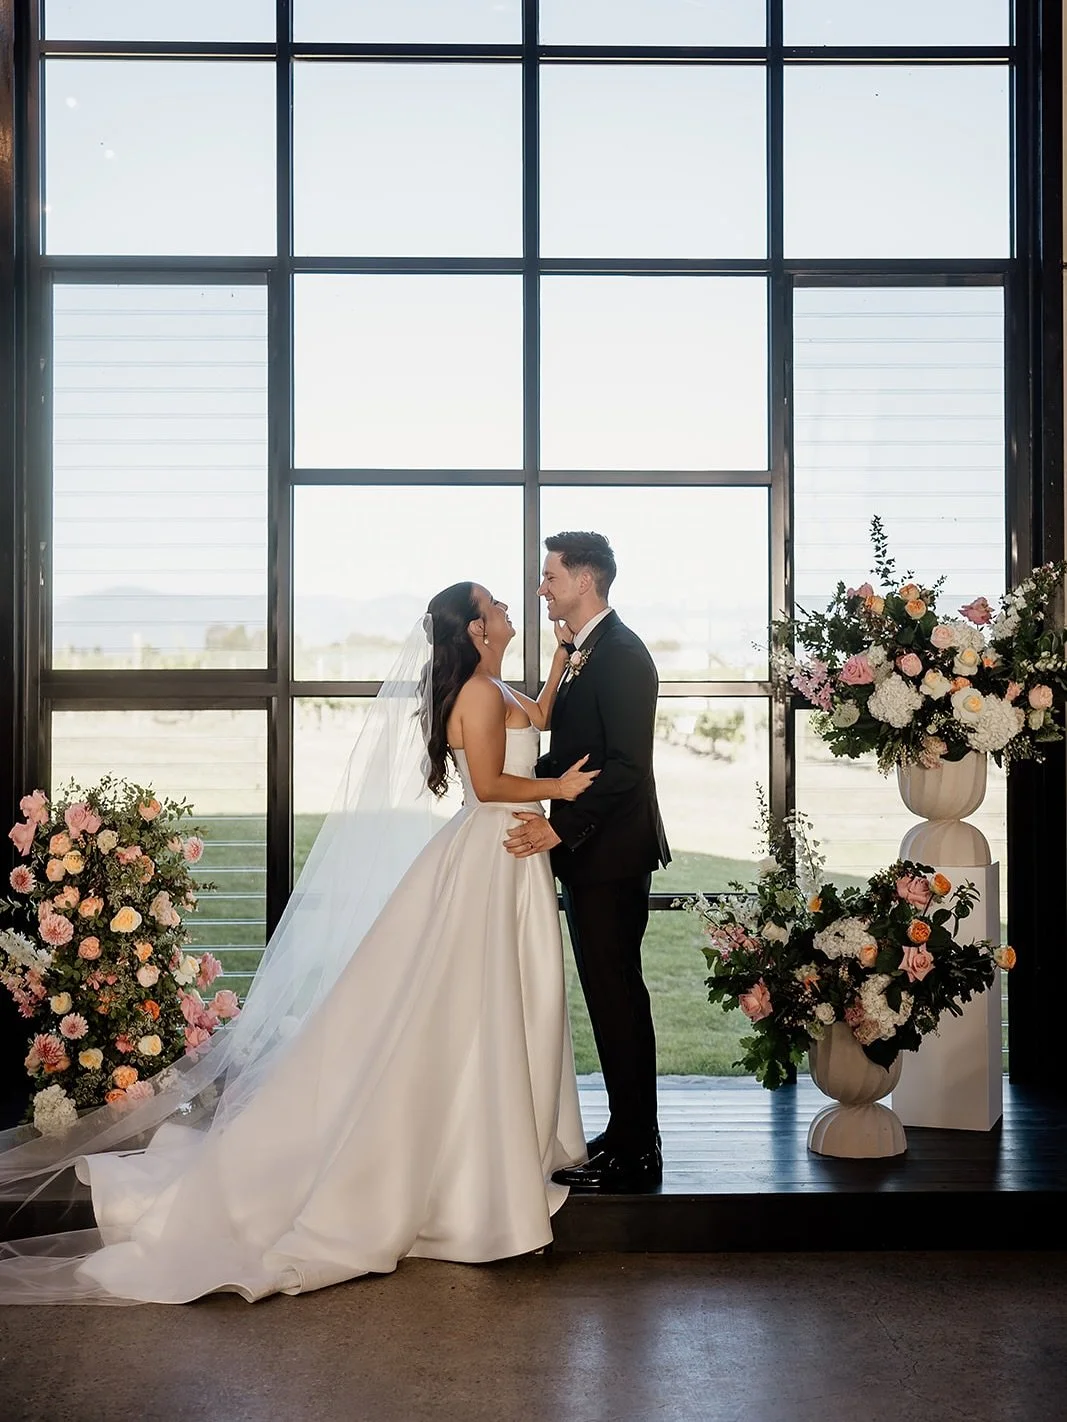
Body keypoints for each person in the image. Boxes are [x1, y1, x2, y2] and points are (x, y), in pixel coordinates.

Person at [0, 583, 595, 1304]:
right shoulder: (474, 691)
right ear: (475, 629)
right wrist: (560, 791)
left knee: (497, 998)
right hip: (490, 852)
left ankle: (492, 1150)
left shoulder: (494, 685)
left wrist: (559, 664)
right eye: (494, 605)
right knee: (471, 1002)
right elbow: (493, 782)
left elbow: (536, 716)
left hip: (510, 857)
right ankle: (461, 1171)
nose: (505, 608)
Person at [505, 532, 670, 1193]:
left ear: (584, 581)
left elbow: (627, 767)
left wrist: (559, 827)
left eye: (550, 577)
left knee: (617, 996)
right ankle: (626, 1132)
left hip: (611, 855)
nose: (541, 587)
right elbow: (579, 751)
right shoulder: (585, 652)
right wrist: (519, 778)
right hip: (591, 855)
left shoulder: (622, 655)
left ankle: (637, 1152)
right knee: (606, 997)